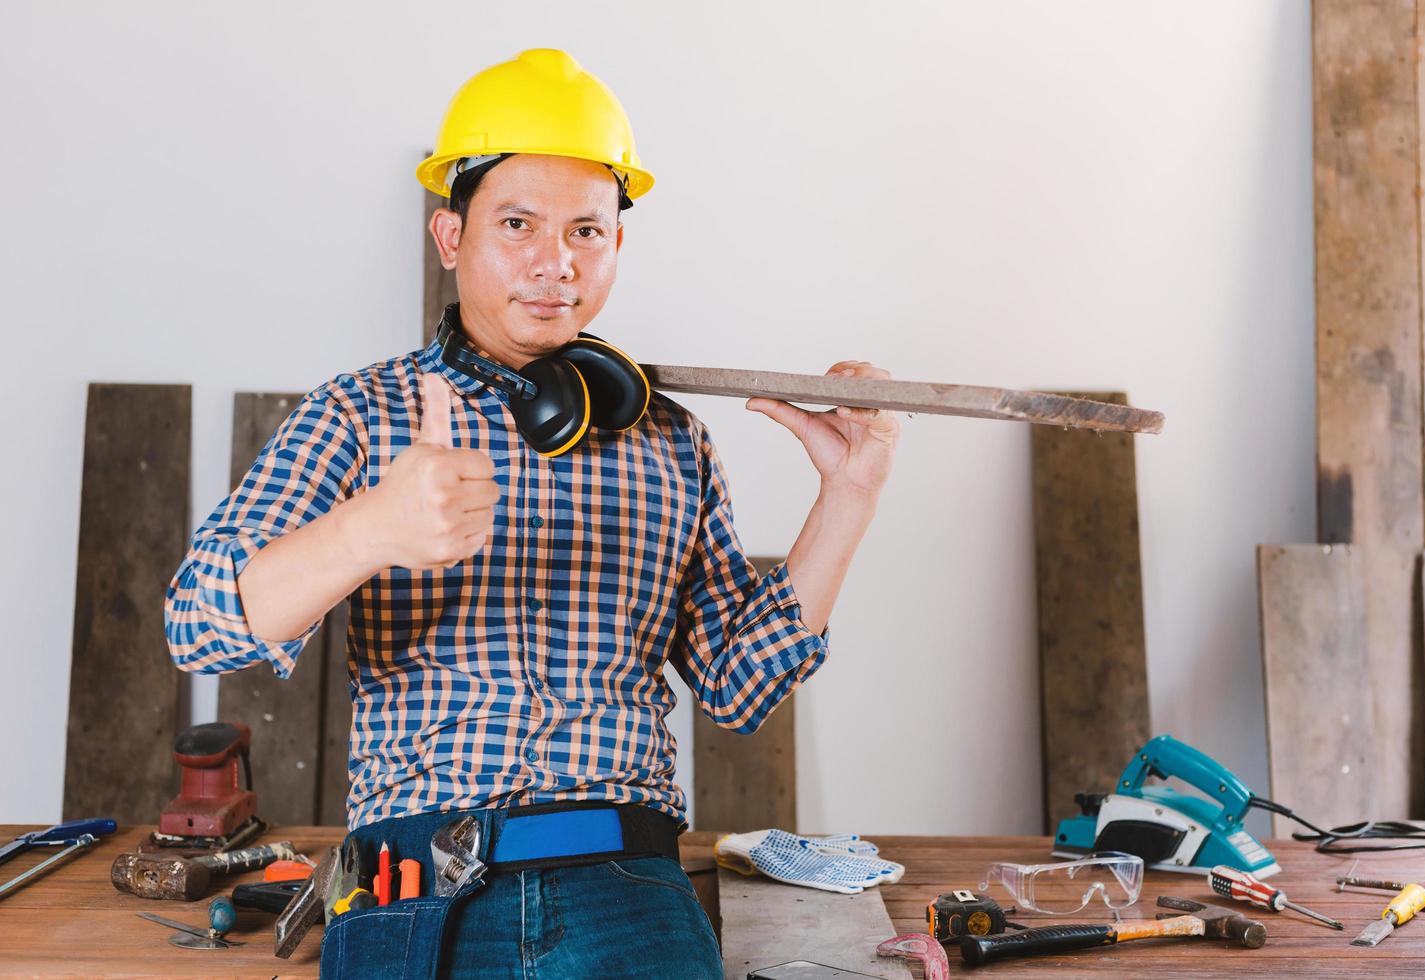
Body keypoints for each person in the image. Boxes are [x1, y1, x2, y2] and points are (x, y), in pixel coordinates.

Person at [165, 48, 898, 979]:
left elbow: (738, 685)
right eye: (518, 224)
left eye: (587, 232)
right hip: (411, 888)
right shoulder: (360, 414)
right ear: (450, 238)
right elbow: (201, 627)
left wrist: (850, 495)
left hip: (625, 883)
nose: (556, 264)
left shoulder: (668, 441)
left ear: (617, 246)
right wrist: (371, 530)